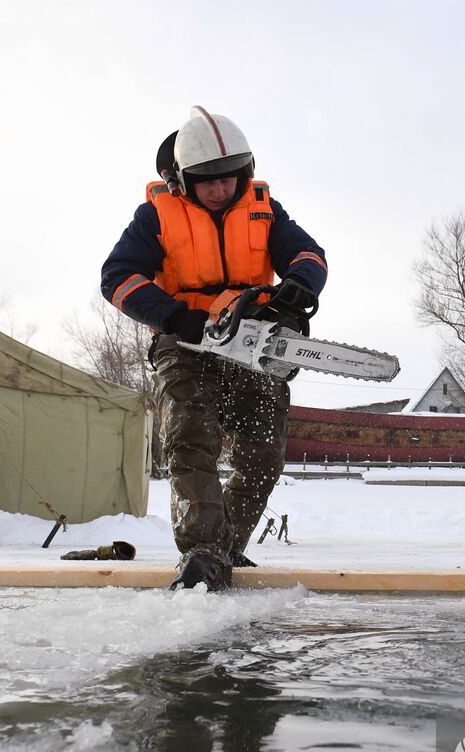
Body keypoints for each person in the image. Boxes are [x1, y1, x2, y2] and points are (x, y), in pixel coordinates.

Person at [102, 106, 328, 591]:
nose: (221, 189)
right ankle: (203, 551)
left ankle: (226, 546)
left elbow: (308, 254)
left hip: (249, 338)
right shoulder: (156, 215)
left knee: (263, 449)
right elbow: (116, 277)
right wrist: (173, 315)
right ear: (183, 178)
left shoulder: (265, 209)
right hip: (184, 339)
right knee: (191, 435)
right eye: (208, 180)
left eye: (229, 178)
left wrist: (300, 286)